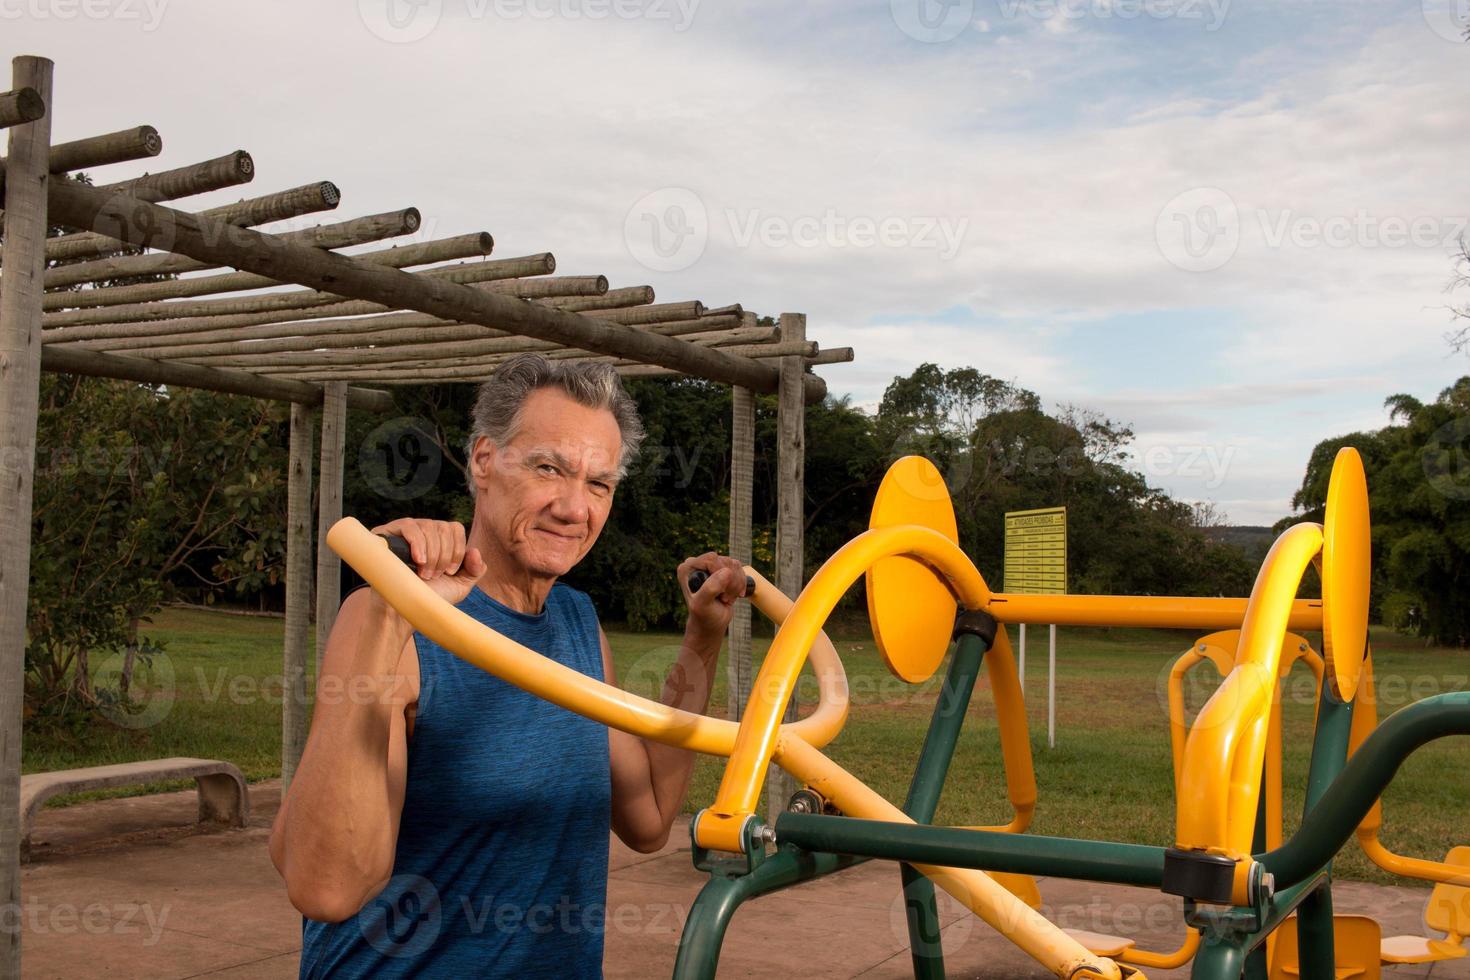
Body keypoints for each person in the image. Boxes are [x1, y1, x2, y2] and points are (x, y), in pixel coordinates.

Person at [270, 354, 748, 978]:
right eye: (550, 468)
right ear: (484, 460)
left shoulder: (578, 624)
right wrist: (389, 610)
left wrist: (702, 639)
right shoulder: (395, 619)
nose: (576, 509)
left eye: (598, 484)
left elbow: (651, 818)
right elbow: (325, 886)